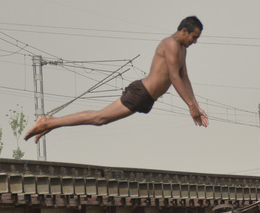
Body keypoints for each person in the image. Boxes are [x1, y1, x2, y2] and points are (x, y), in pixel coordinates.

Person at [24, 16, 209, 143]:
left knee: (100, 118)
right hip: (141, 93)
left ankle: (51, 123)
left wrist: (196, 105)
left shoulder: (182, 49)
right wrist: (190, 106)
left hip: (147, 98)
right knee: (99, 118)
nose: (195, 41)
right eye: (194, 37)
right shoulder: (171, 44)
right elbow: (174, 77)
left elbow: (184, 77)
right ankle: (48, 122)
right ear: (184, 31)